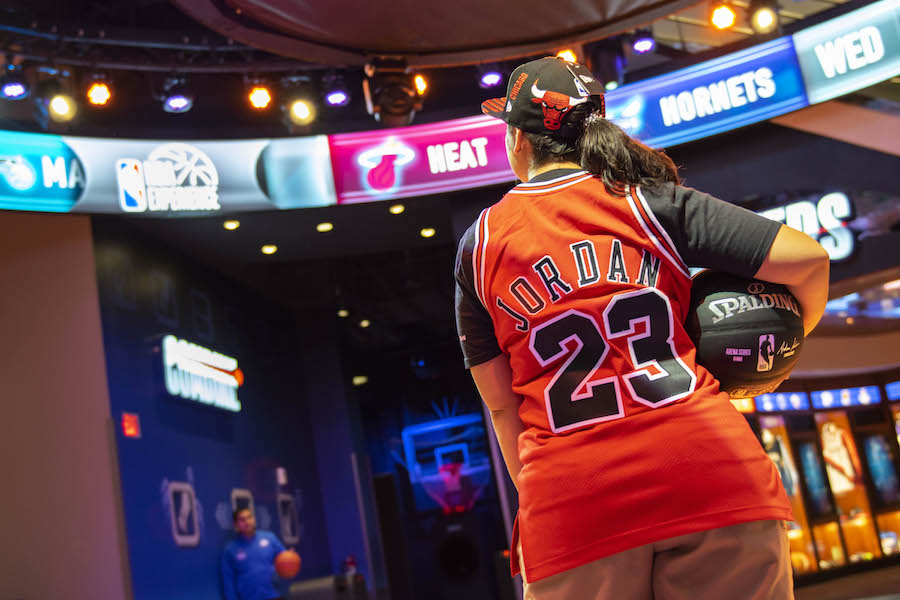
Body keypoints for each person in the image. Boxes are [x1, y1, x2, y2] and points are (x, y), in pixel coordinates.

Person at [454, 56, 829, 599]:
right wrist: (783, 355)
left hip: (574, 505)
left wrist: (547, 492)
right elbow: (811, 261)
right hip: (712, 473)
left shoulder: (479, 247)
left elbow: (501, 406)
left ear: (518, 139)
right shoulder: (645, 200)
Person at [221, 507, 287, 600]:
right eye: (242, 520)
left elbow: (286, 559)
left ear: (254, 519)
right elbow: (228, 581)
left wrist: (291, 557)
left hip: (275, 595)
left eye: (249, 517)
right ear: (236, 524)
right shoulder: (230, 550)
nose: (247, 522)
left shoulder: (270, 538)